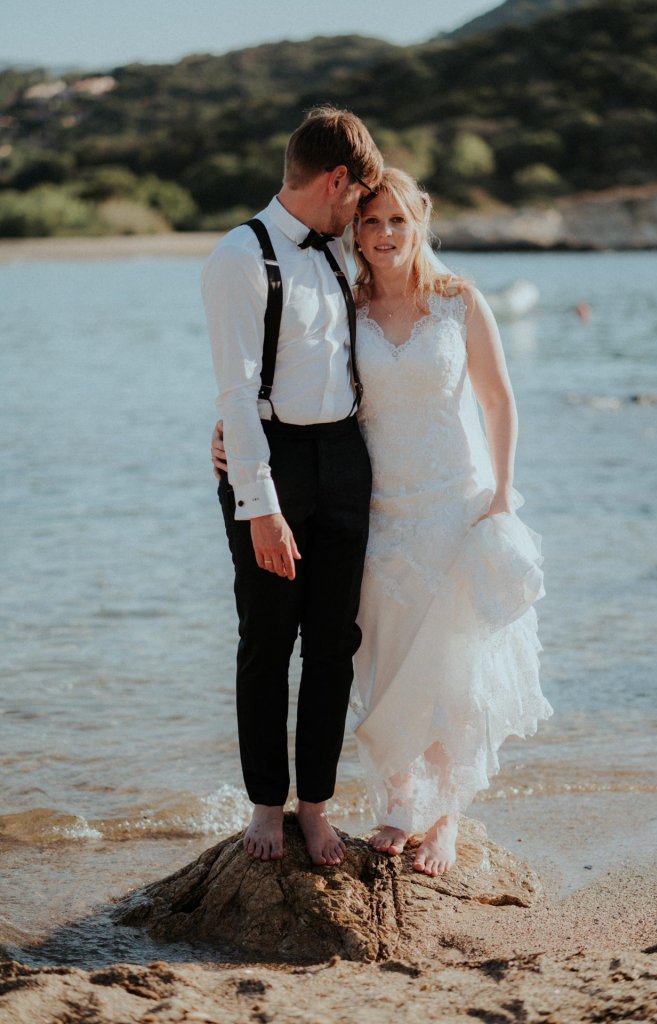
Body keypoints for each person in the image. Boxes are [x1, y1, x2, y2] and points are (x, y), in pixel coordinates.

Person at [212, 167, 552, 877]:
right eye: (370, 222)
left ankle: (444, 819)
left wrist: (502, 494)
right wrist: (232, 435)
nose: (384, 234)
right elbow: (291, 376)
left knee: (450, 664)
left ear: (420, 222)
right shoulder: (348, 304)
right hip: (375, 509)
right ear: (357, 233)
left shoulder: (459, 302)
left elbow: (498, 402)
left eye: (397, 220)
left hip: (453, 502)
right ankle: (400, 805)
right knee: (385, 664)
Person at [201, 106, 383, 868]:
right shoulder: (238, 257)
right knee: (267, 641)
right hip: (273, 463)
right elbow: (236, 395)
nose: (361, 215)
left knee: (333, 645)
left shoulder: (341, 252)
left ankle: (315, 806)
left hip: (344, 458)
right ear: (335, 180)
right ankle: (264, 804)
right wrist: (261, 507)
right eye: (358, 197)